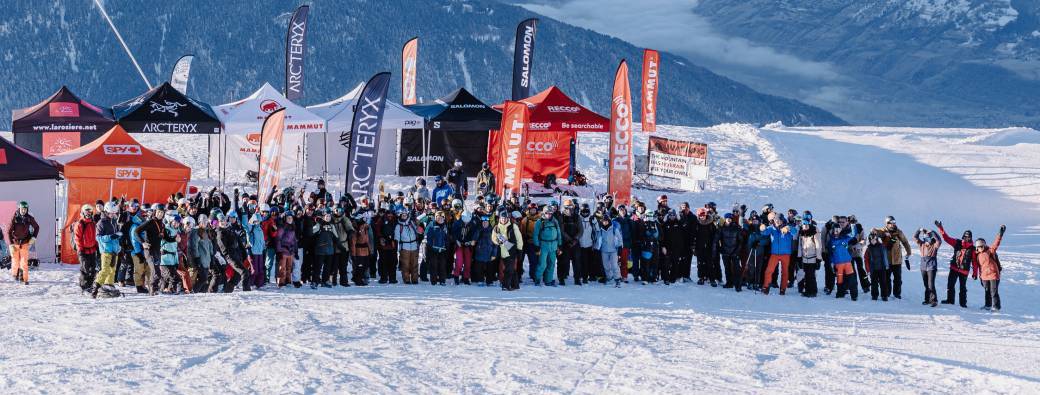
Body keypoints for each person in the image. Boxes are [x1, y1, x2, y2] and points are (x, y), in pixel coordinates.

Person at [935, 220, 976, 307]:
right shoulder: (957, 242)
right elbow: (946, 238)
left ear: (971, 238)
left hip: (964, 271)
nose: (966, 238)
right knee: (950, 284)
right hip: (954, 268)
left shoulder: (972, 249)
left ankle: (963, 303)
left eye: (968, 237)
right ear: (963, 236)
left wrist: (975, 273)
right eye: (965, 236)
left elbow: (974, 262)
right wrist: (940, 228)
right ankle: (950, 300)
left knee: (962, 287)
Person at [875, 216, 912, 299]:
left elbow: (905, 242)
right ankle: (887, 293)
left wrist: (908, 252)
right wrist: (877, 232)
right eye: (890, 223)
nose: (892, 224)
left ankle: (897, 293)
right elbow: (876, 232)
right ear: (887, 223)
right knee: (887, 278)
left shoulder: (898, 232)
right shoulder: (883, 231)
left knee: (898, 279)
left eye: (893, 222)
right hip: (887, 260)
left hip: (897, 259)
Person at [92, 202, 123, 297]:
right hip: (106, 251)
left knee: (112, 270)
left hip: (115, 251)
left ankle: (108, 285)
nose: (113, 215)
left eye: (114, 213)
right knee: (105, 270)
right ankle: (96, 287)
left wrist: (118, 243)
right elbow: (99, 238)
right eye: (111, 213)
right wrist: (112, 236)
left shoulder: (114, 222)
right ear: (106, 212)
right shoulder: (101, 223)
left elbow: (117, 235)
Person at [760, 215, 795, 295]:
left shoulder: (787, 227)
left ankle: (783, 289)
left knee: (785, 272)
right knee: (769, 270)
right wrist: (762, 227)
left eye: (779, 220)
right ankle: (766, 287)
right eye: (776, 220)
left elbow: (795, 232)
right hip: (775, 254)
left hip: (786, 254)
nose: (777, 222)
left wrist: (789, 228)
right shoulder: (772, 228)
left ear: (782, 221)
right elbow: (764, 232)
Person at [7, 201, 39, 285]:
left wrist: (34, 237)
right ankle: (15, 275)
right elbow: (9, 231)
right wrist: (11, 244)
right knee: (15, 260)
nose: (23, 211)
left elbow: (37, 227)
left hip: (25, 242)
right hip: (15, 243)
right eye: (22, 209)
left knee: (24, 261)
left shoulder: (29, 218)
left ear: (27, 209)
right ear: (19, 208)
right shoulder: (15, 217)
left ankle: (24, 279)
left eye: (25, 209)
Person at [976, 225, 1006, 311]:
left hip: (993, 275)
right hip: (984, 276)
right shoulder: (977, 255)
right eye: (978, 247)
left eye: (981, 246)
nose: (980, 248)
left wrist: (1000, 233)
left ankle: (996, 306)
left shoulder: (990, 251)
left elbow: (996, 243)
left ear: (984, 245)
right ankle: (988, 305)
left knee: (994, 292)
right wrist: (980, 277)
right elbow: (979, 267)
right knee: (987, 292)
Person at [492, 210, 524, 291]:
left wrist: (520, 250)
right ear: (500, 218)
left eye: (505, 218)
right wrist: (497, 241)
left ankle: (506, 286)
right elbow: (493, 238)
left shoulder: (513, 226)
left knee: (508, 269)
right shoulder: (496, 227)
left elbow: (519, 239)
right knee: (511, 269)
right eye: (502, 218)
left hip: (511, 250)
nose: (503, 220)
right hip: (502, 252)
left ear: (507, 219)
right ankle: (515, 285)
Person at [827, 223, 860, 301]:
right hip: (838, 264)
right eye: (835, 230)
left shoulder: (845, 238)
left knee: (851, 279)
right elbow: (830, 253)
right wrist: (831, 263)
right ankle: (840, 293)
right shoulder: (831, 241)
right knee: (840, 279)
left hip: (847, 263)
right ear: (833, 231)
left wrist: (852, 225)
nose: (837, 231)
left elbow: (853, 234)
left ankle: (854, 295)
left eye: (838, 229)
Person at [532, 207, 562, 286]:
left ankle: (548, 280)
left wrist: (560, 244)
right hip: (543, 245)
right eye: (547, 213)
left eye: (550, 213)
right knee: (542, 264)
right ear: (544, 213)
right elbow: (535, 235)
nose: (549, 215)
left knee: (551, 263)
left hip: (553, 246)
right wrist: (537, 246)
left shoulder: (555, 221)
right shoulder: (540, 222)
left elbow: (558, 233)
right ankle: (537, 279)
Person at [73, 204, 99, 291]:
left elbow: (95, 236)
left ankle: (90, 285)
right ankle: (84, 286)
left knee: (93, 268)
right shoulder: (80, 224)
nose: (88, 214)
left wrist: (96, 246)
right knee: (85, 269)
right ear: (83, 213)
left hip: (92, 250)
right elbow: (77, 238)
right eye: (86, 212)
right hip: (83, 250)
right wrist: (80, 249)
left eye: (90, 212)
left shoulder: (92, 223)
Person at [716, 213, 745, 291]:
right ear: (725, 219)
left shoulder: (736, 228)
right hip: (725, 252)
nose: (729, 220)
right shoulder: (721, 228)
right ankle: (729, 283)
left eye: (730, 218)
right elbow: (716, 240)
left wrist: (737, 251)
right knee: (727, 268)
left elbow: (740, 241)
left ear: (732, 220)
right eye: (727, 218)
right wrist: (720, 249)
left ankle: (738, 285)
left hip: (735, 252)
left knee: (736, 269)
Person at [913, 228, 941, 307]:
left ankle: (934, 300)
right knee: (926, 285)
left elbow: (939, 240)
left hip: (931, 266)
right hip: (923, 267)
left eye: (928, 238)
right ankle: (927, 299)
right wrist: (919, 230)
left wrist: (932, 232)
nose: (926, 240)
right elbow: (915, 238)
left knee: (931, 284)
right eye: (925, 238)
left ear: (931, 238)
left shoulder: (934, 245)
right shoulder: (922, 244)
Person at [311, 209, 339, 288]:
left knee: (327, 267)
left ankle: (325, 281)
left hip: (329, 250)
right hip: (320, 249)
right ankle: (314, 281)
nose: (328, 217)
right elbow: (312, 232)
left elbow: (336, 236)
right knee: (317, 267)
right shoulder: (319, 224)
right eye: (326, 216)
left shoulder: (332, 225)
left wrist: (338, 243)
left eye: (329, 216)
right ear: (323, 217)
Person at [395, 209, 423, 285]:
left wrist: (418, 226)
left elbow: (419, 231)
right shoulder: (398, 226)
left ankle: (415, 279)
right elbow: (396, 238)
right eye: (403, 215)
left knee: (414, 263)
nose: (404, 216)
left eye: (405, 215)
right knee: (405, 264)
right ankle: (406, 279)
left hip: (414, 245)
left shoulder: (411, 223)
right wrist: (398, 248)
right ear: (400, 216)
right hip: (404, 247)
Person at [595, 215, 624, 287]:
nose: (605, 222)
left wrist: (620, 247)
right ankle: (609, 277)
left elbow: (620, 239)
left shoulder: (614, 229)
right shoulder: (601, 230)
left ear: (609, 221)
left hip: (613, 250)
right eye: (603, 221)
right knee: (606, 266)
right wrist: (597, 249)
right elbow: (598, 241)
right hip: (604, 251)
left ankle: (617, 279)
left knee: (614, 265)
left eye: (606, 221)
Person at [796, 219, 822, 297]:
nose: (805, 224)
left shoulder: (814, 230)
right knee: (806, 275)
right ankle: (807, 290)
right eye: (804, 222)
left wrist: (818, 258)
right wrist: (799, 257)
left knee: (811, 275)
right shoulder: (801, 231)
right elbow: (800, 245)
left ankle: (813, 291)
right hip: (804, 257)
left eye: (807, 222)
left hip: (812, 257)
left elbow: (818, 245)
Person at [425, 211, 452, 286]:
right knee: (434, 265)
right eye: (438, 218)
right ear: (436, 218)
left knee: (442, 265)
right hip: (434, 249)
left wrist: (446, 246)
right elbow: (429, 237)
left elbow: (446, 237)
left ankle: (442, 280)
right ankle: (433, 280)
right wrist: (430, 246)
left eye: (441, 218)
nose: (440, 219)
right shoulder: (432, 225)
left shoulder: (445, 227)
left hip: (442, 249)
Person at [865, 231, 891, 301]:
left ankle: (884, 295)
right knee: (874, 283)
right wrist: (868, 270)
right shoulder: (868, 249)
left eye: (874, 240)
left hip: (881, 268)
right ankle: (874, 295)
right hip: (873, 269)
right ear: (870, 240)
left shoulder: (881, 247)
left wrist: (886, 265)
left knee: (883, 282)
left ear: (876, 239)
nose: (873, 241)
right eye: (871, 240)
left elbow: (884, 256)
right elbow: (866, 260)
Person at [191, 215, 215, 293]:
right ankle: (193, 291)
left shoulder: (205, 231)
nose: (205, 223)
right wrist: (197, 258)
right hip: (201, 259)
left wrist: (212, 257)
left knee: (206, 279)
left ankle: (202, 295)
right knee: (203, 278)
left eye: (206, 222)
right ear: (199, 222)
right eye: (203, 222)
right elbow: (194, 245)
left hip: (207, 259)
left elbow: (210, 244)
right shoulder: (197, 231)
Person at [275, 213, 299, 288]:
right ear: (285, 219)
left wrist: (296, 251)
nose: (290, 219)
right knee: (282, 267)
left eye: (291, 218)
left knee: (289, 266)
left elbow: (294, 240)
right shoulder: (282, 227)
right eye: (288, 218)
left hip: (291, 251)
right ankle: (281, 282)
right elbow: (278, 239)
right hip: (283, 250)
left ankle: (288, 280)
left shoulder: (292, 227)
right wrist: (279, 251)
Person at [473, 215, 497, 286]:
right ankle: (480, 280)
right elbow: (474, 239)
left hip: (489, 253)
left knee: (490, 269)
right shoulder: (478, 230)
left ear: (488, 223)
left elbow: (495, 244)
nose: (485, 223)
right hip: (479, 253)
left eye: (486, 222)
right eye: (483, 222)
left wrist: (494, 254)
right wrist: (479, 231)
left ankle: (489, 281)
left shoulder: (492, 231)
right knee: (479, 268)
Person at [350, 215, 374, 286]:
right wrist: (353, 254)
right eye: (362, 218)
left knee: (365, 266)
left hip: (365, 251)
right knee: (359, 266)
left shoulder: (365, 227)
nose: (364, 220)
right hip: (359, 251)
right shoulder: (356, 229)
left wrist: (370, 251)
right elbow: (353, 243)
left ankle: (361, 278)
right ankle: (358, 280)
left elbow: (367, 241)